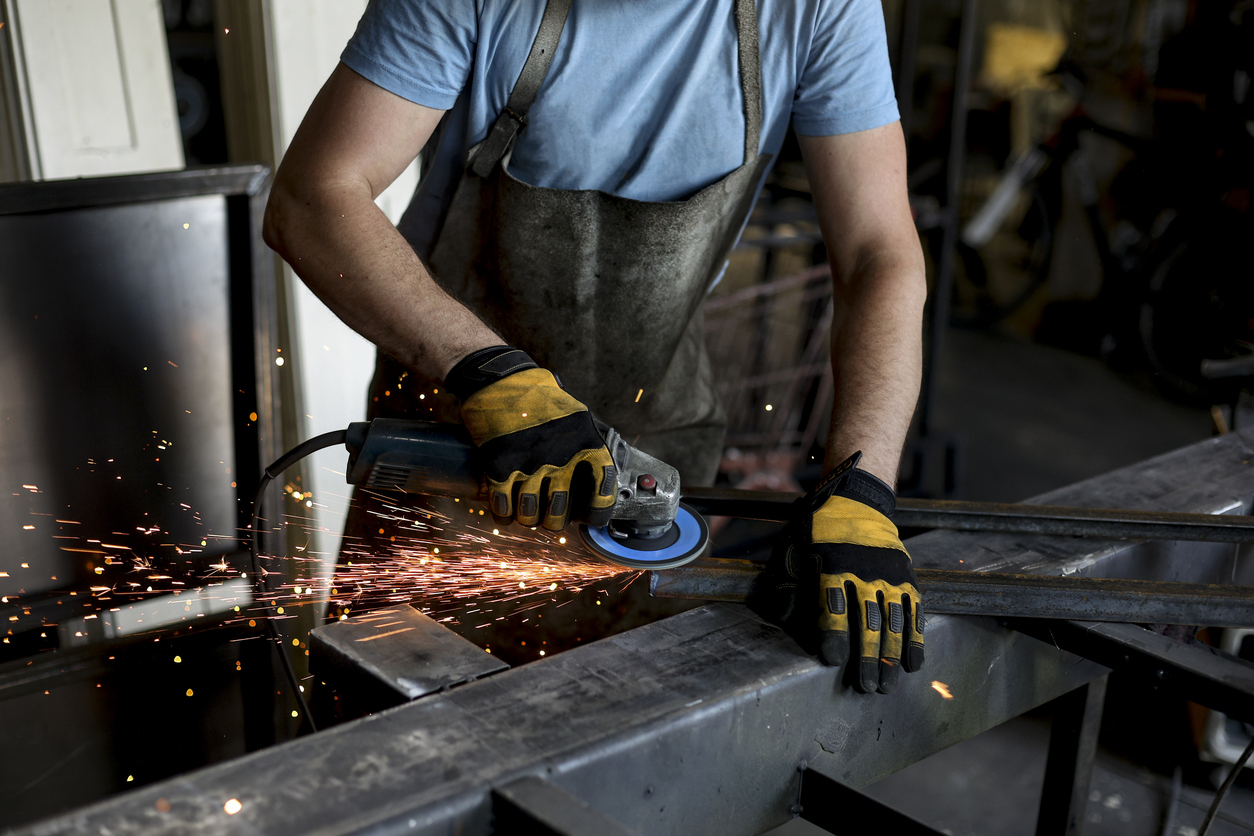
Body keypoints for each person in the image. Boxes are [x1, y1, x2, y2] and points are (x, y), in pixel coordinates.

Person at [263, 0, 927, 694]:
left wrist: (862, 485)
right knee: (394, 744)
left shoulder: (820, 9)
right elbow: (314, 197)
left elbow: (879, 254)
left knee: (617, 747)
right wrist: (497, 380)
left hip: (655, 453)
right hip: (460, 444)